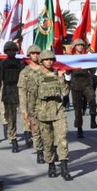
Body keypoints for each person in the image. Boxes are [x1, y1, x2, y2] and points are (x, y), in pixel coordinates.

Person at [35, 50, 72, 181]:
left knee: (62, 140)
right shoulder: (36, 76)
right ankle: (51, 165)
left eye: (52, 59)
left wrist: (62, 78)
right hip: (42, 113)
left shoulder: (57, 75)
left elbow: (65, 92)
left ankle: (64, 168)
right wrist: (31, 116)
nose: (50, 62)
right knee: (48, 142)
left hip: (58, 111)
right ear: (42, 62)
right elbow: (32, 97)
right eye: (47, 60)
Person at [0, 41, 25, 153]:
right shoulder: (2, 64)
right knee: (11, 118)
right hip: (8, 91)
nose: (12, 52)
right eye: (10, 50)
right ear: (6, 52)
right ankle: (14, 139)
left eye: (14, 50)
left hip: (20, 90)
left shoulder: (20, 63)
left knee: (26, 115)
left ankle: (27, 134)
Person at [18, 45, 44, 161]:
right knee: (35, 128)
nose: (36, 55)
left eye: (37, 53)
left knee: (47, 129)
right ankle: (39, 151)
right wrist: (24, 110)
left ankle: (48, 149)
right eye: (33, 53)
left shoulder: (45, 69)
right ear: (29, 55)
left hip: (44, 103)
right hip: (31, 103)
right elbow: (22, 92)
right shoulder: (25, 71)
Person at [68, 39, 97, 138]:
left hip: (86, 84)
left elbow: (93, 71)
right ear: (75, 47)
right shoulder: (71, 58)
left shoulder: (86, 58)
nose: (80, 46)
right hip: (75, 85)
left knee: (92, 99)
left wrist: (92, 64)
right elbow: (67, 72)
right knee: (78, 108)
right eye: (78, 45)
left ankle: (93, 120)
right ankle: (79, 128)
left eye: (82, 45)